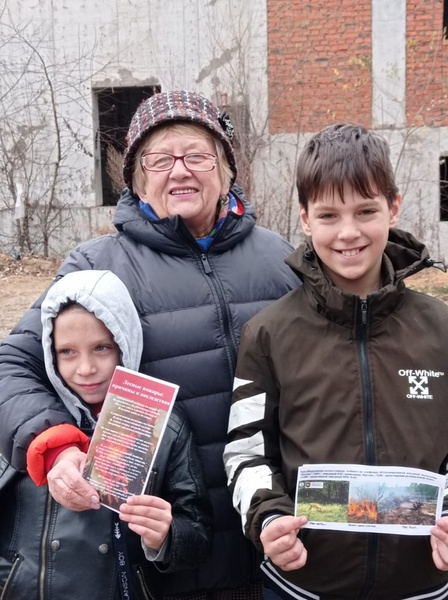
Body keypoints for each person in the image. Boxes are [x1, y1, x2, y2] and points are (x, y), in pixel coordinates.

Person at [0, 90, 300, 599]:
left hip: (276, 542)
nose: (179, 171)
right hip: (160, 556)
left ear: (226, 170)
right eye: (159, 159)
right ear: (137, 177)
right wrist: (55, 447)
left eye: (198, 155)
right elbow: (13, 365)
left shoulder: (281, 261)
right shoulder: (96, 267)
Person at [224, 123, 448, 599]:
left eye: (366, 211)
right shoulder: (268, 333)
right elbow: (246, 452)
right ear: (305, 219)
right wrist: (269, 518)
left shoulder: (441, 329)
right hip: (302, 586)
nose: (349, 233)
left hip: (423, 585)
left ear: (393, 207)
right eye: (328, 215)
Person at [0, 269, 212, 600]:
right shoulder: (30, 423)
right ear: (49, 351)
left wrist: (166, 536)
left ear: (125, 343)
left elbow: (197, 534)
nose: (85, 369)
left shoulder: (165, 424)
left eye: (101, 348)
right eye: (67, 351)